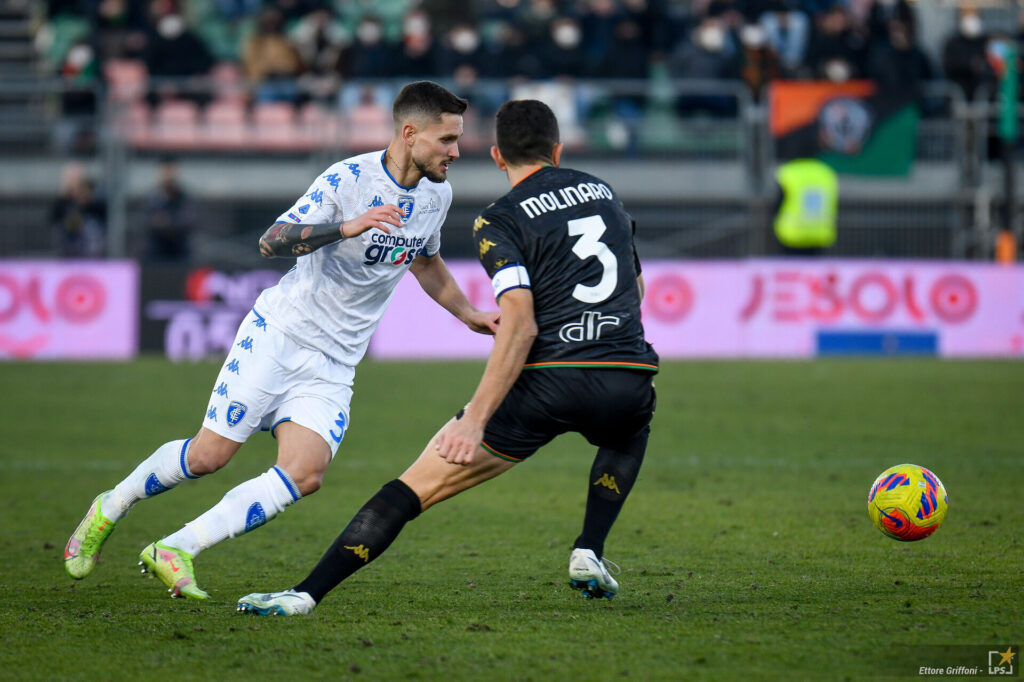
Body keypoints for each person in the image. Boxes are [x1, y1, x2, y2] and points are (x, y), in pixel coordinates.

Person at [63, 81, 498, 599]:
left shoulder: (437, 195)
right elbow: (271, 240)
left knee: (306, 473)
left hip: (336, 362)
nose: (456, 151)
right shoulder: (347, 180)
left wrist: (467, 312)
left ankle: (175, 547)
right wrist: (346, 227)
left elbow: (425, 262)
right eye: (447, 139)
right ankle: (110, 506)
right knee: (208, 458)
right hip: (280, 337)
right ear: (410, 134)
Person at [236, 99, 659, 616]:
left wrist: (473, 420)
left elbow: (520, 324)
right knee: (630, 427)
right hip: (628, 373)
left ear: (499, 157)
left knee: (413, 489)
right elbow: (634, 289)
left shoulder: (500, 218)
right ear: (558, 149)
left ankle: (305, 594)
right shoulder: (606, 194)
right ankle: (590, 548)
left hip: (548, 383)